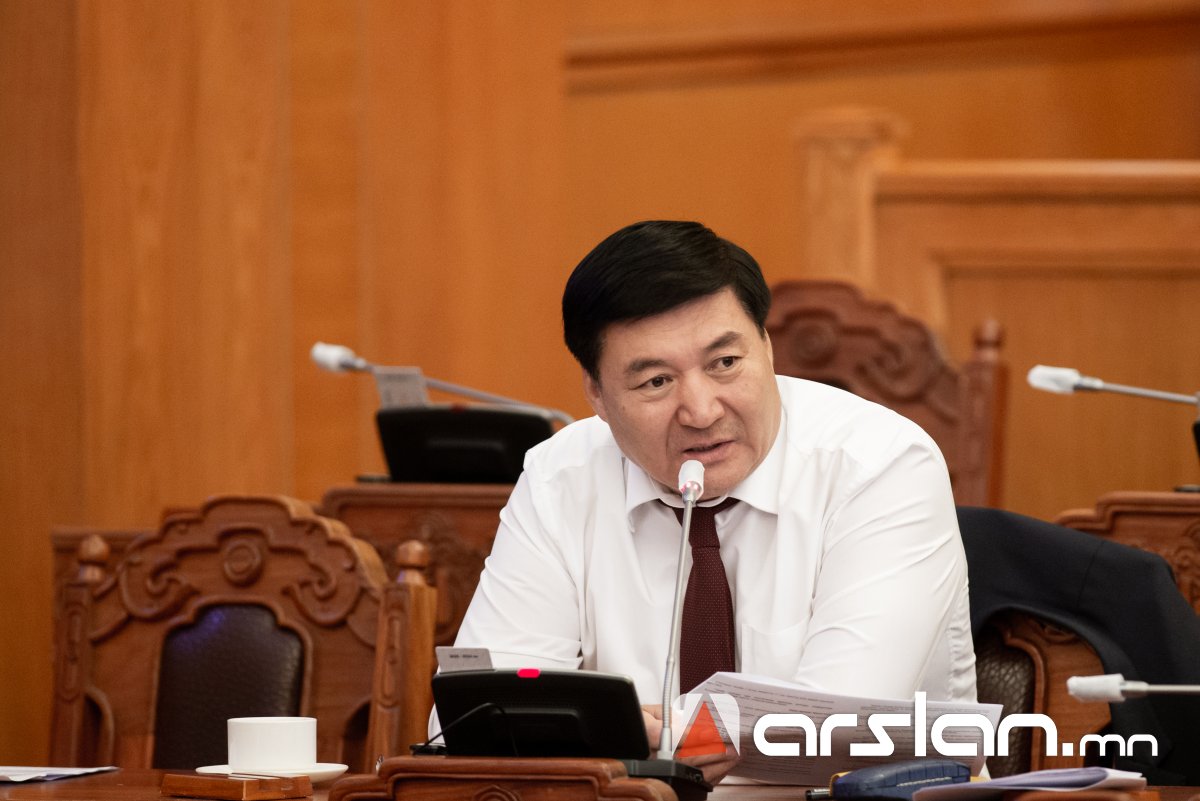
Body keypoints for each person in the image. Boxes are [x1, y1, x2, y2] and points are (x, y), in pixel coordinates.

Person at [452, 220, 977, 782]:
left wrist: (635, 729)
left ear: (766, 347)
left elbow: (836, 722)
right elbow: (482, 713)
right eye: (656, 382)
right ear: (597, 394)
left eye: (725, 363)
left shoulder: (883, 464)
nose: (701, 411)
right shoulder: (560, 477)